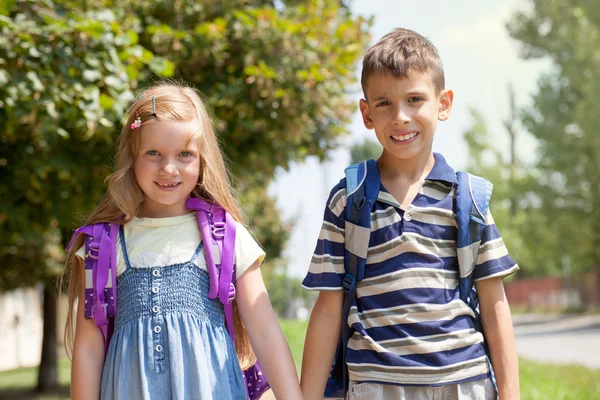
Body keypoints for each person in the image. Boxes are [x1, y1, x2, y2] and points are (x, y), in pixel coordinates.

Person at [300, 28, 520, 400]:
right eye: (384, 103)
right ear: (366, 113)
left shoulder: (467, 199)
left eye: (415, 99)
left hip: (463, 383)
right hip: (375, 385)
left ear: (443, 104)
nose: (400, 117)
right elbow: (327, 309)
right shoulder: (348, 200)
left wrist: (510, 393)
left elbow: (495, 304)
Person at [62, 82, 302, 400]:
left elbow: (266, 332)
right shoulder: (103, 244)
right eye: (153, 154)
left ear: (203, 159)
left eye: (185, 154)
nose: (169, 168)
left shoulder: (226, 236)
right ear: (132, 157)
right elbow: (88, 348)